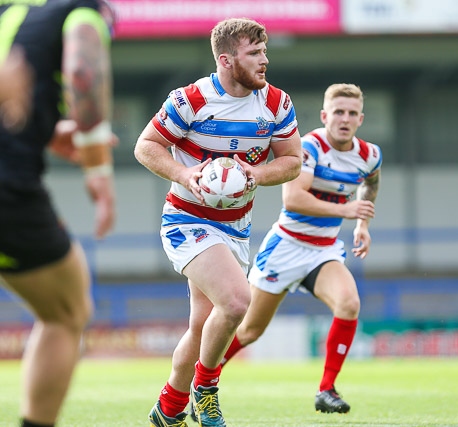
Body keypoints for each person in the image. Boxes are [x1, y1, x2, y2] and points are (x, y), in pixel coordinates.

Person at [133, 17, 301, 427]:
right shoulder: (190, 99)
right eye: (254, 54)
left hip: (236, 226)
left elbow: (292, 161)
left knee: (201, 325)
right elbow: (146, 146)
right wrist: (186, 175)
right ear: (226, 60)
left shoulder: (276, 104)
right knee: (238, 301)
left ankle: (168, 408)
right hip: (187, 218)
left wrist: (255, 174)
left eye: (265, 52)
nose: (264, 61)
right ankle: (205, 390)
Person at [219, 83, 382, 414]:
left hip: (322, 251)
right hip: (285, 247)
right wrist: (346, 211)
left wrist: (362, 224)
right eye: (338, 112)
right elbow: (293, 198)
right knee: (249, 330)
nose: (345, 119)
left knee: (349, 303)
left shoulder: (369, 155)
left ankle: (327, 389)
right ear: (325, 115)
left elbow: (371, 182)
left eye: (352, 114)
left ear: (361, 119)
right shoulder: (310, 147)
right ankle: (204, 377)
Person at [0, 1, 117, 426]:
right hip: (8, 187)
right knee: (66, 312)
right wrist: (97, 166)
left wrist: (44, 129)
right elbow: (82, 69)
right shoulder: (81, 10)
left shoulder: (10, 15)